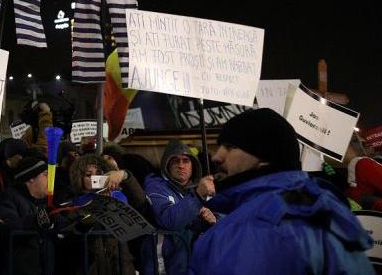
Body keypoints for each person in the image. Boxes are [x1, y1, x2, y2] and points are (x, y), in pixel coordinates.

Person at [190, 108, 373, 274]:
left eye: (231, 147)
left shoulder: (261, 227)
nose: (217, 156)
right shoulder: (318, 210)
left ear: (265, 156)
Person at [141, 141, 216, 275]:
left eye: (185, 161)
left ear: (193, 166)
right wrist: (197, 196)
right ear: (167, 165)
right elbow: (169, 220)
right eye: (175, 161)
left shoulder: (198, 189)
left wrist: (210, 221)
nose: (181, 165)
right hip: (163, 263)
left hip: (189, 262)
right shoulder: (156, 187)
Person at [0, 156, 56, 275]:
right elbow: (8, 227)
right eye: (46, 175)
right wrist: (36, 221)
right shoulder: (7, 198)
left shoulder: (45, 204)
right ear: (31, 177)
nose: (51, 180)